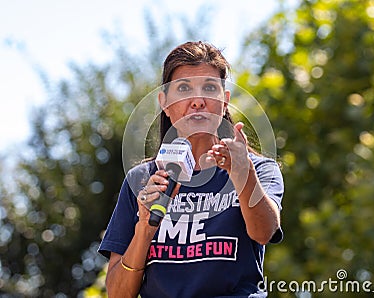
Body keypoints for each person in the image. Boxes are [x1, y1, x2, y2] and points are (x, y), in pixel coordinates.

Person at [98, 41, 284, 298]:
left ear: (224, 101)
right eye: (184, 89)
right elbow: (118, 294)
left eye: (209, 88)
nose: (197, 101)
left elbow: (265, 232)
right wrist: (144, 227)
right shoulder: (141, 180)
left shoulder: (259, 169)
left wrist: (243, 174)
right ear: (164, 102)